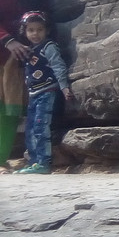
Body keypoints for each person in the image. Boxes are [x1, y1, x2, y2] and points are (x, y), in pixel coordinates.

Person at [0, 0, 57, 167]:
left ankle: (2, 159)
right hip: (3, 51)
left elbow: (45, 23)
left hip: (22, 60)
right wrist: (7, 40)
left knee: (9, 112)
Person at [15, 11, 73, 174]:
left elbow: (58, 66)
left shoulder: (49, 47)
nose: (35, 34)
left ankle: (43, 162)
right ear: (24, 32)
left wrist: (64, 87)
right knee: (30, 130)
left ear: (47, 30)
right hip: (34, 95)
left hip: (47, 91)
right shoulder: (29, 50)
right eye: (31, 30)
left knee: (41, 127)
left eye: (39, 29)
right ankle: (34, 162)